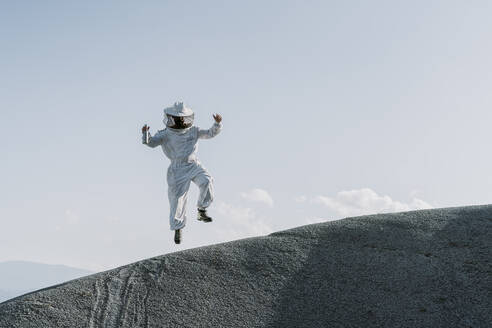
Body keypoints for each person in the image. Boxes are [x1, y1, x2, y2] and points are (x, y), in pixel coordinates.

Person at [141, 102, 222, 244]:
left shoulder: (194, 130)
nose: (181, 121)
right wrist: (145, 134)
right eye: (178, 119)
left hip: (193, 164)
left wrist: (217, 124)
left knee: (207, 181)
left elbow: (209, 134)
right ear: (171, 119)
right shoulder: (165, 134)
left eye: (183, 118)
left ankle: (201, 210)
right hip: (177, 169)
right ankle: (178, 230)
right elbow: (151, 143)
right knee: (177, 200)